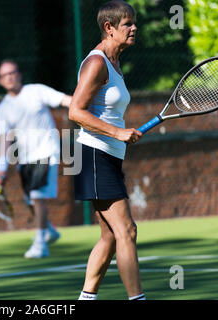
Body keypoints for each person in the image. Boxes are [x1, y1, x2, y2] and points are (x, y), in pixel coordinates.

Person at [68, 1, 145, 300]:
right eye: (127, 24)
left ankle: (86, 299)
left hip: (107, 157)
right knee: (127, 230)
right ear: (109, 28)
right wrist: (117, 132)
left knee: (111, 236)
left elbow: (106, 112)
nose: (134, 28)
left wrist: (119, 135)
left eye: (134, 22)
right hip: (93, 156)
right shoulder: (96, 63)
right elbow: (76, 111)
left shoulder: (114, 63)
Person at [0, 59, 72, 259]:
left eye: (13, 72)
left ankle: (40, 244)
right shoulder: (3, 108)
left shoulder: (36, 91)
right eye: (5, 75)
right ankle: (50, 231)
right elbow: (5, 140)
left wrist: (86, 105)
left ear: (19, 75)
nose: (10, 77)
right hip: (25, 158)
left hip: (46, 151)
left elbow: (65, 100)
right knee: (30, 199)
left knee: (37, 196)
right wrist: (0, 169)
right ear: (0, 81)